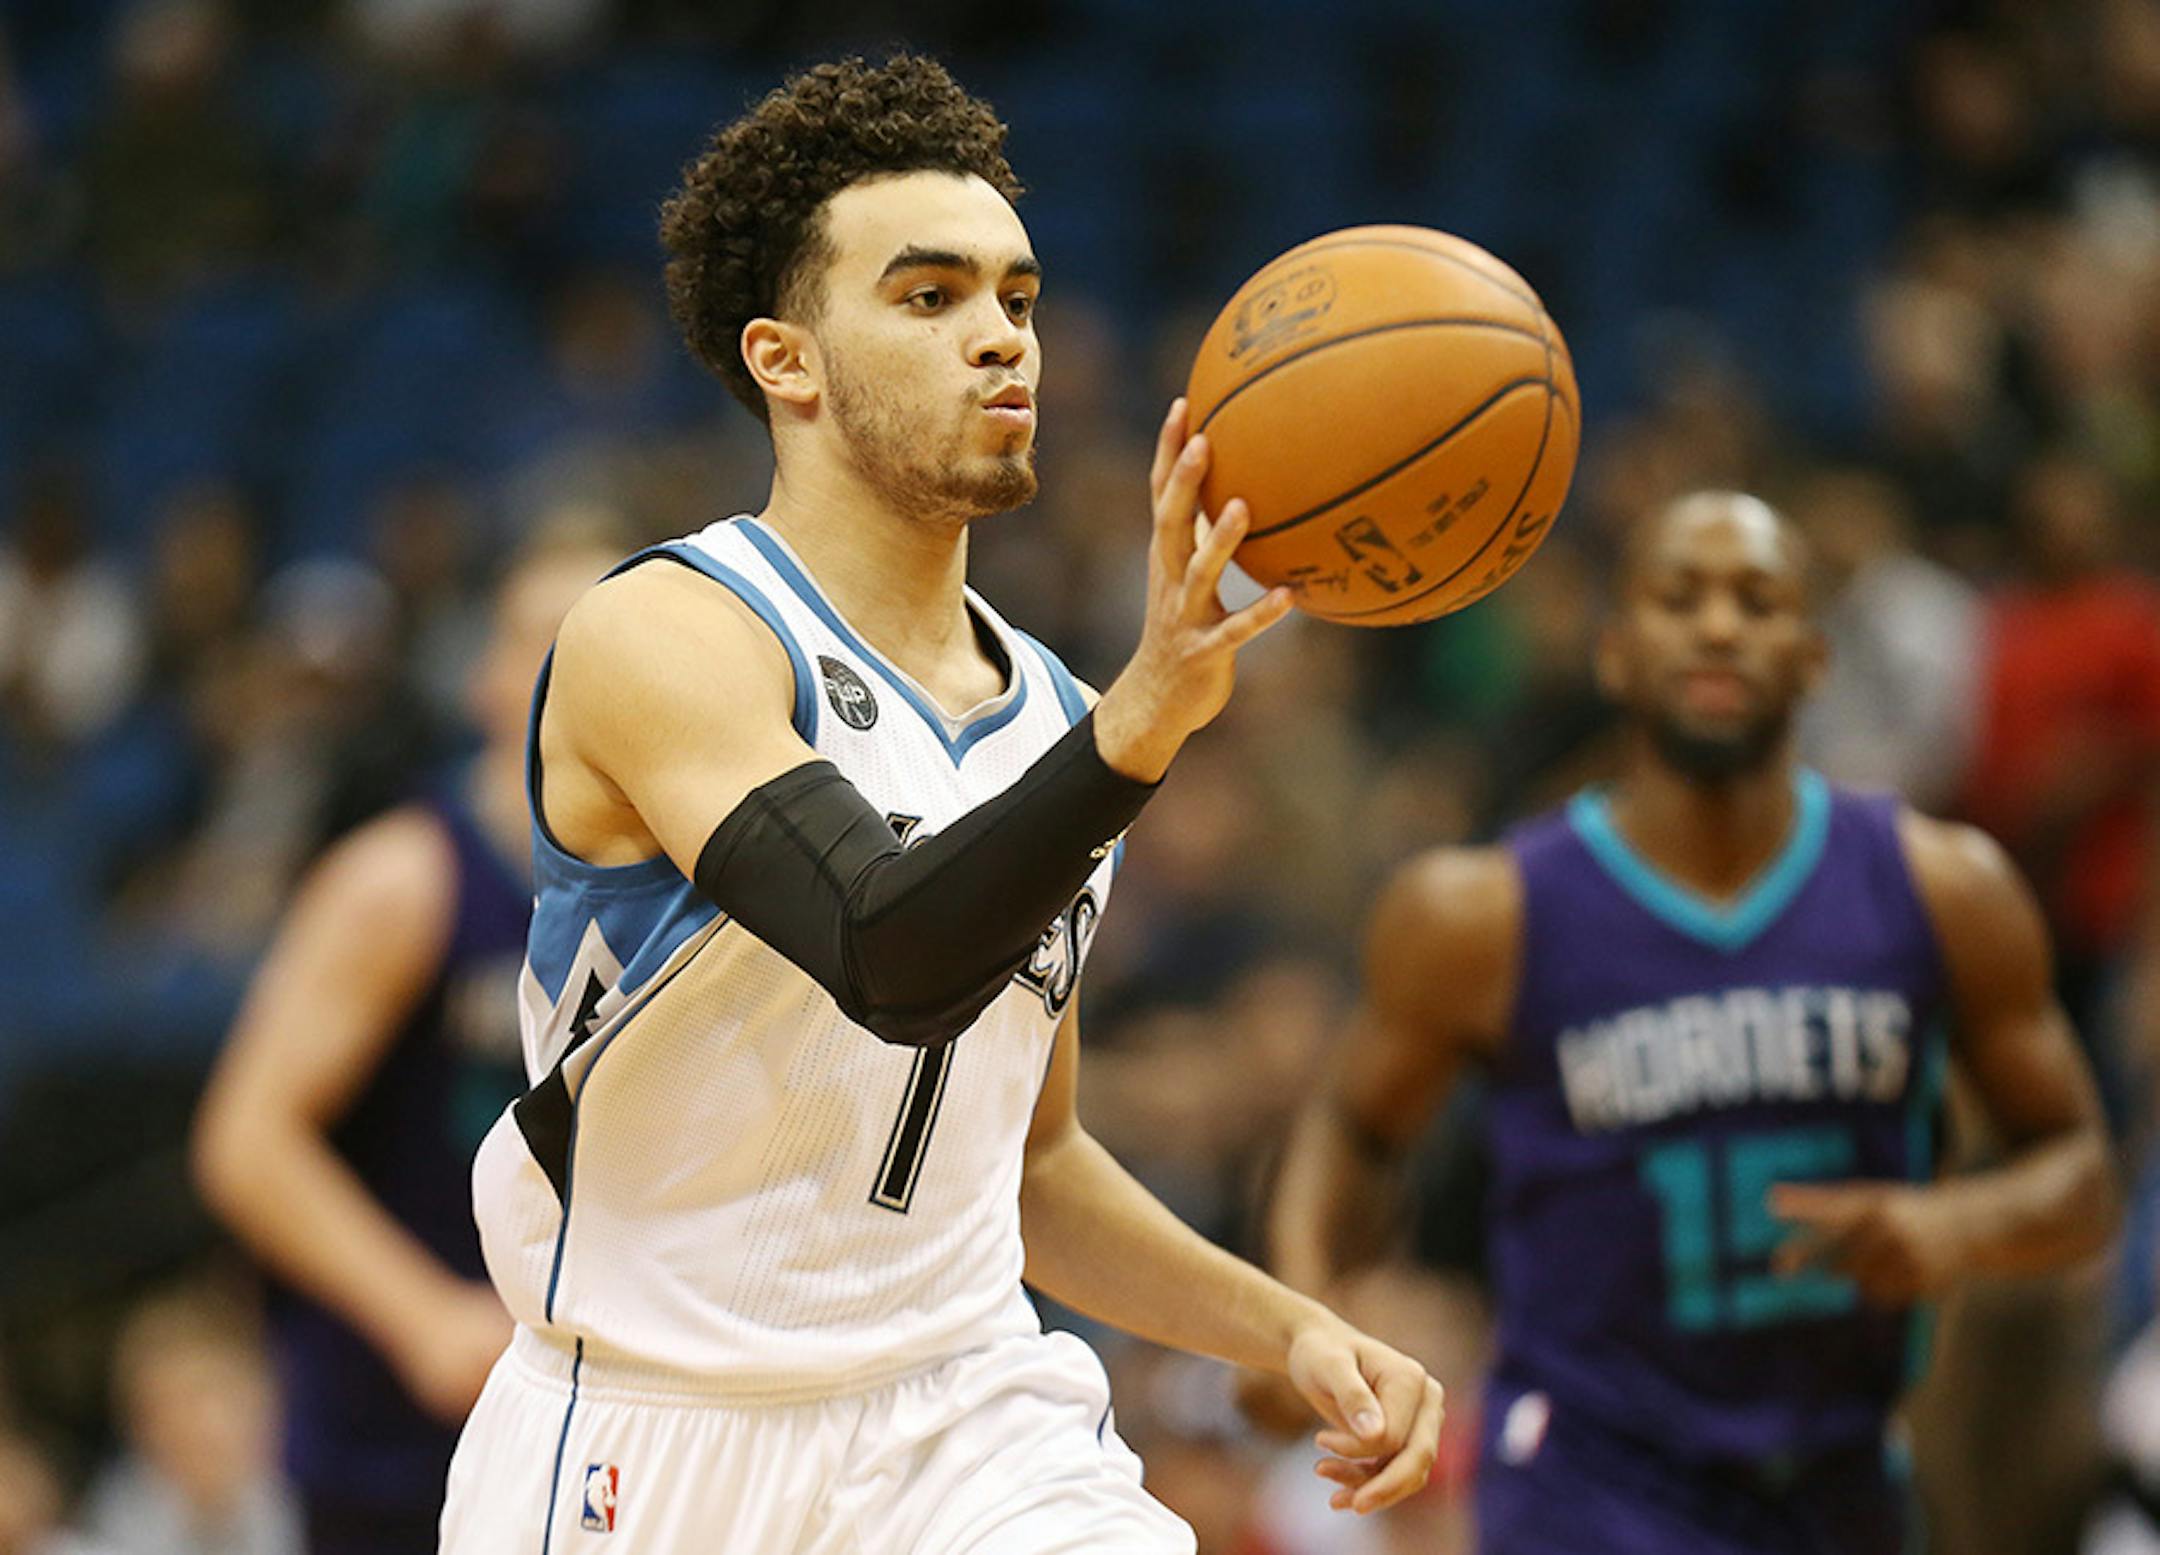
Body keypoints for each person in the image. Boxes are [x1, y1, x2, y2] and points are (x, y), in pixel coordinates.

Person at [437, 52, 1444, 1555]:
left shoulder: (1047, 703)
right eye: (930, 297)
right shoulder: (665, 632)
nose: (1000, 340)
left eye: (1018, 299)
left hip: (967, 1418)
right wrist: (1141, 725)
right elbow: (887, 948)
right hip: (653, 1440)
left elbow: (1024, 1162)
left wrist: (1283, 1324)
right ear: (787, 360)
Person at [1268, 491, 2118, 1552]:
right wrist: (1298, 1315)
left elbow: (2081, 1172)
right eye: (1681, 598)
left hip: (1839, 1477)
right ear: (1617, 652)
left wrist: (1959, 1227)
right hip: (1587, 1477)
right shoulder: (1481, 912)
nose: (1719, 624)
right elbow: (1353, 1133)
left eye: (1756, 600)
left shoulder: (1943, 886)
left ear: (1812, 656)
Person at [192, 533, 620, 1554]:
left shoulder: (694, 895)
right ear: (487, 678)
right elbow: (246, 1142)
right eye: (551, 646)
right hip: (397, 1437)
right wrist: (421, 1313)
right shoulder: (404, 880)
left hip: (602, 1426)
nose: (588, 680)